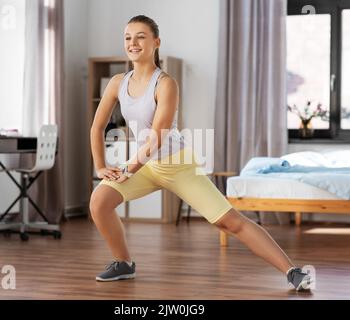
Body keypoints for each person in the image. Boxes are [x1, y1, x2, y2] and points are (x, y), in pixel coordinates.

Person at [89, 15, 312, 291]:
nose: (133, 43)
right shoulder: (117, 83)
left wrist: (128, 168)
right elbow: (97, 127)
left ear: (156, 42)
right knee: (99, 202)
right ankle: (123, 263)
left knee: (230, 223)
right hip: (145, 165)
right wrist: (101, 166)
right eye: (127, 37)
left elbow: (158, 135)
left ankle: (293, 272)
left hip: (177, 164)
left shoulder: (166, 83)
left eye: (140, 36)